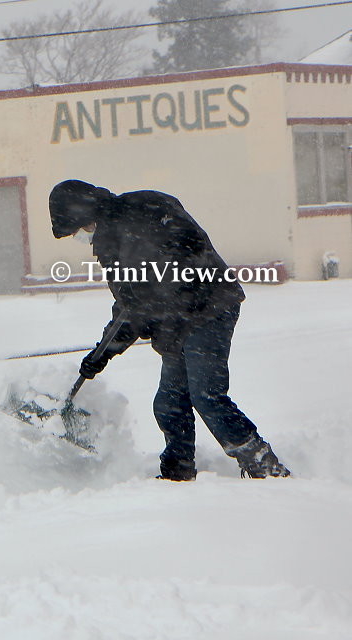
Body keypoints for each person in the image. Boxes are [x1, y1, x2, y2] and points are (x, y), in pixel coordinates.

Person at [49, 179, 290, 481]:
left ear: (85, 214)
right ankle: (178, 473)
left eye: (77, 230)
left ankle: (264, 465)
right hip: (178, 320)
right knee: (169, 403)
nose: (79, 237)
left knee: (206, 396)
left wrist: (150, 299)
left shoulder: (137, 216)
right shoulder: (115, 235)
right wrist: (101, 354)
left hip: (208, 308)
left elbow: (160, 280)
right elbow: (129, 305)